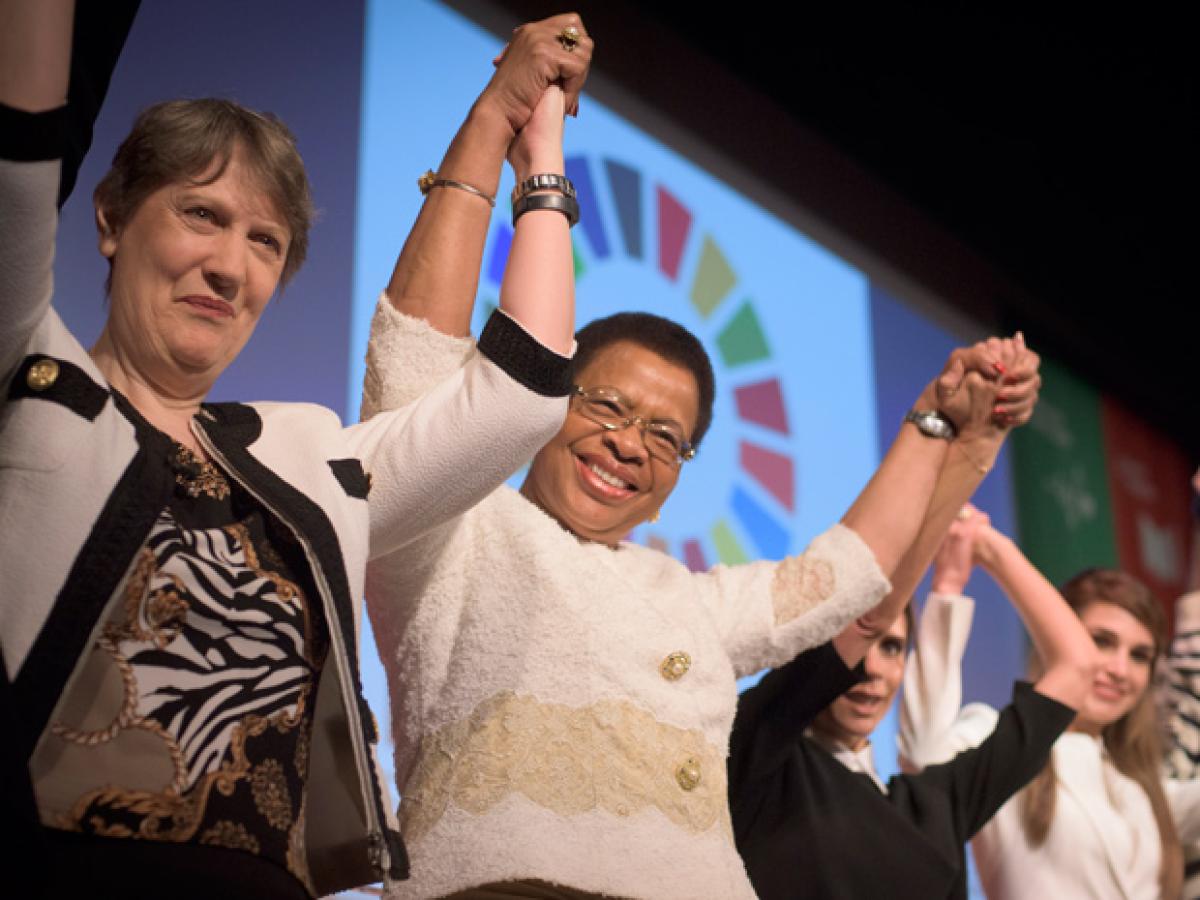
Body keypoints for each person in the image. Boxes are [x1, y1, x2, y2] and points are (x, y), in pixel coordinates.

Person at [359, 17, 1043, 894]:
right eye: (607, 405)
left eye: (665, 436)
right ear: (547, 402)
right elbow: (414, 362)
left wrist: (939, 420)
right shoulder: (455, 529)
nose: (629, 444)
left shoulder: (690, 603)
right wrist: (496, 119)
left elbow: (847, 574)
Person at [0, 2, 583, 897]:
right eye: (202, 214)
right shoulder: (29, 375)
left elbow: (523, 395)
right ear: (111, 219)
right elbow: (18, 157)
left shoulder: (304, 463)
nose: (229, 266)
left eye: (265, 242)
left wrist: (530, 141)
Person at [728, 493, 1094, 899]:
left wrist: (988, 546)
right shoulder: (760, 758)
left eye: (891, 648)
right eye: (860, 643)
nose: (870, 669)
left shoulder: (937, 804)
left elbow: (1076, 667)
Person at [899, 517, 1200, 899]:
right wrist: (949, 588)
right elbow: (924, 758)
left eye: (1139, 656)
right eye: (1101, 641)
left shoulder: (1144, 788)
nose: (1120, 669)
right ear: (1055, 640)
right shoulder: (1001, 744)